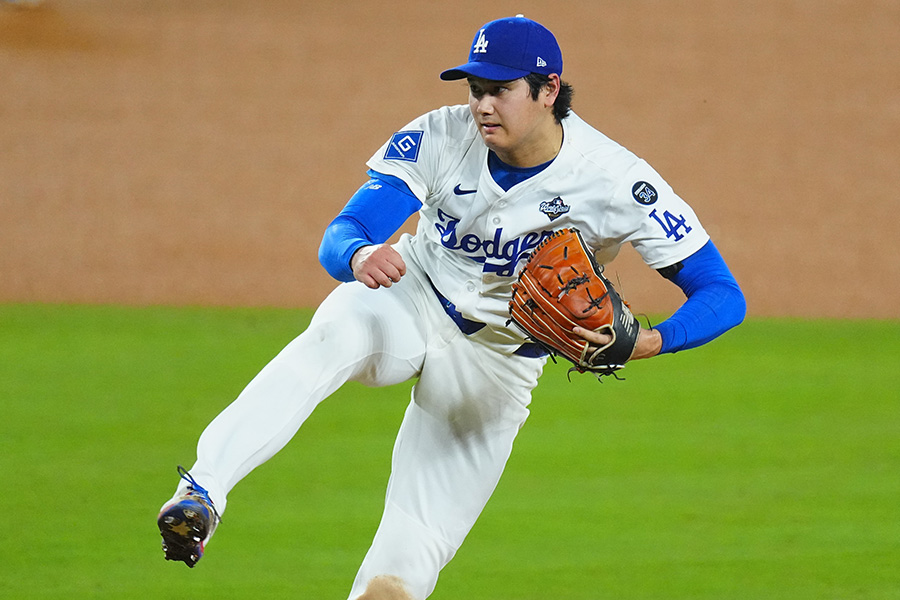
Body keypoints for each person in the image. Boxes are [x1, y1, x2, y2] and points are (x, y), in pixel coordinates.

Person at [156, 15, 746, 600]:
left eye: (501, 90)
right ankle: (202, 491)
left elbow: (722, 293)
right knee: (329, 337)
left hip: (500, 362)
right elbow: (345, 231)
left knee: (403, 572)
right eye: (476, 89)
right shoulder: (440, 136)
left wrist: (653, 340)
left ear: (548, 91)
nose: (483, 106)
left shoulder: (616, 181)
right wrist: (359, 256)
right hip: (411, 299)